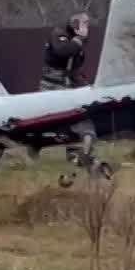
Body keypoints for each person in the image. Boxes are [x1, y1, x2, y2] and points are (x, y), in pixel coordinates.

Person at [35, 12, 103, 172]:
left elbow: (74, 67)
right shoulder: (60, 34)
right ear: (75, 25)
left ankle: (78, 154)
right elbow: (63, 51)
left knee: (80, 118)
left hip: (70, 85)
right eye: (84, 24)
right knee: (63, 119)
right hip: (53, 87)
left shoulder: (79, 42)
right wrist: (78, 39)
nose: (87, 28)